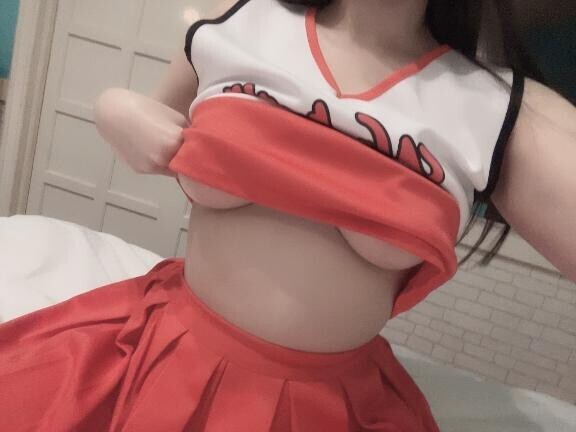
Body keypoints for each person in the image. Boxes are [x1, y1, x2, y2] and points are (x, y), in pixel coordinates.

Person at [0, 0, 574, 430]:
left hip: (331, 406)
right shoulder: (242, 20)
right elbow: (149, 114)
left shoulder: (492, 105)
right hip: (161, 356)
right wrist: (114, 108)